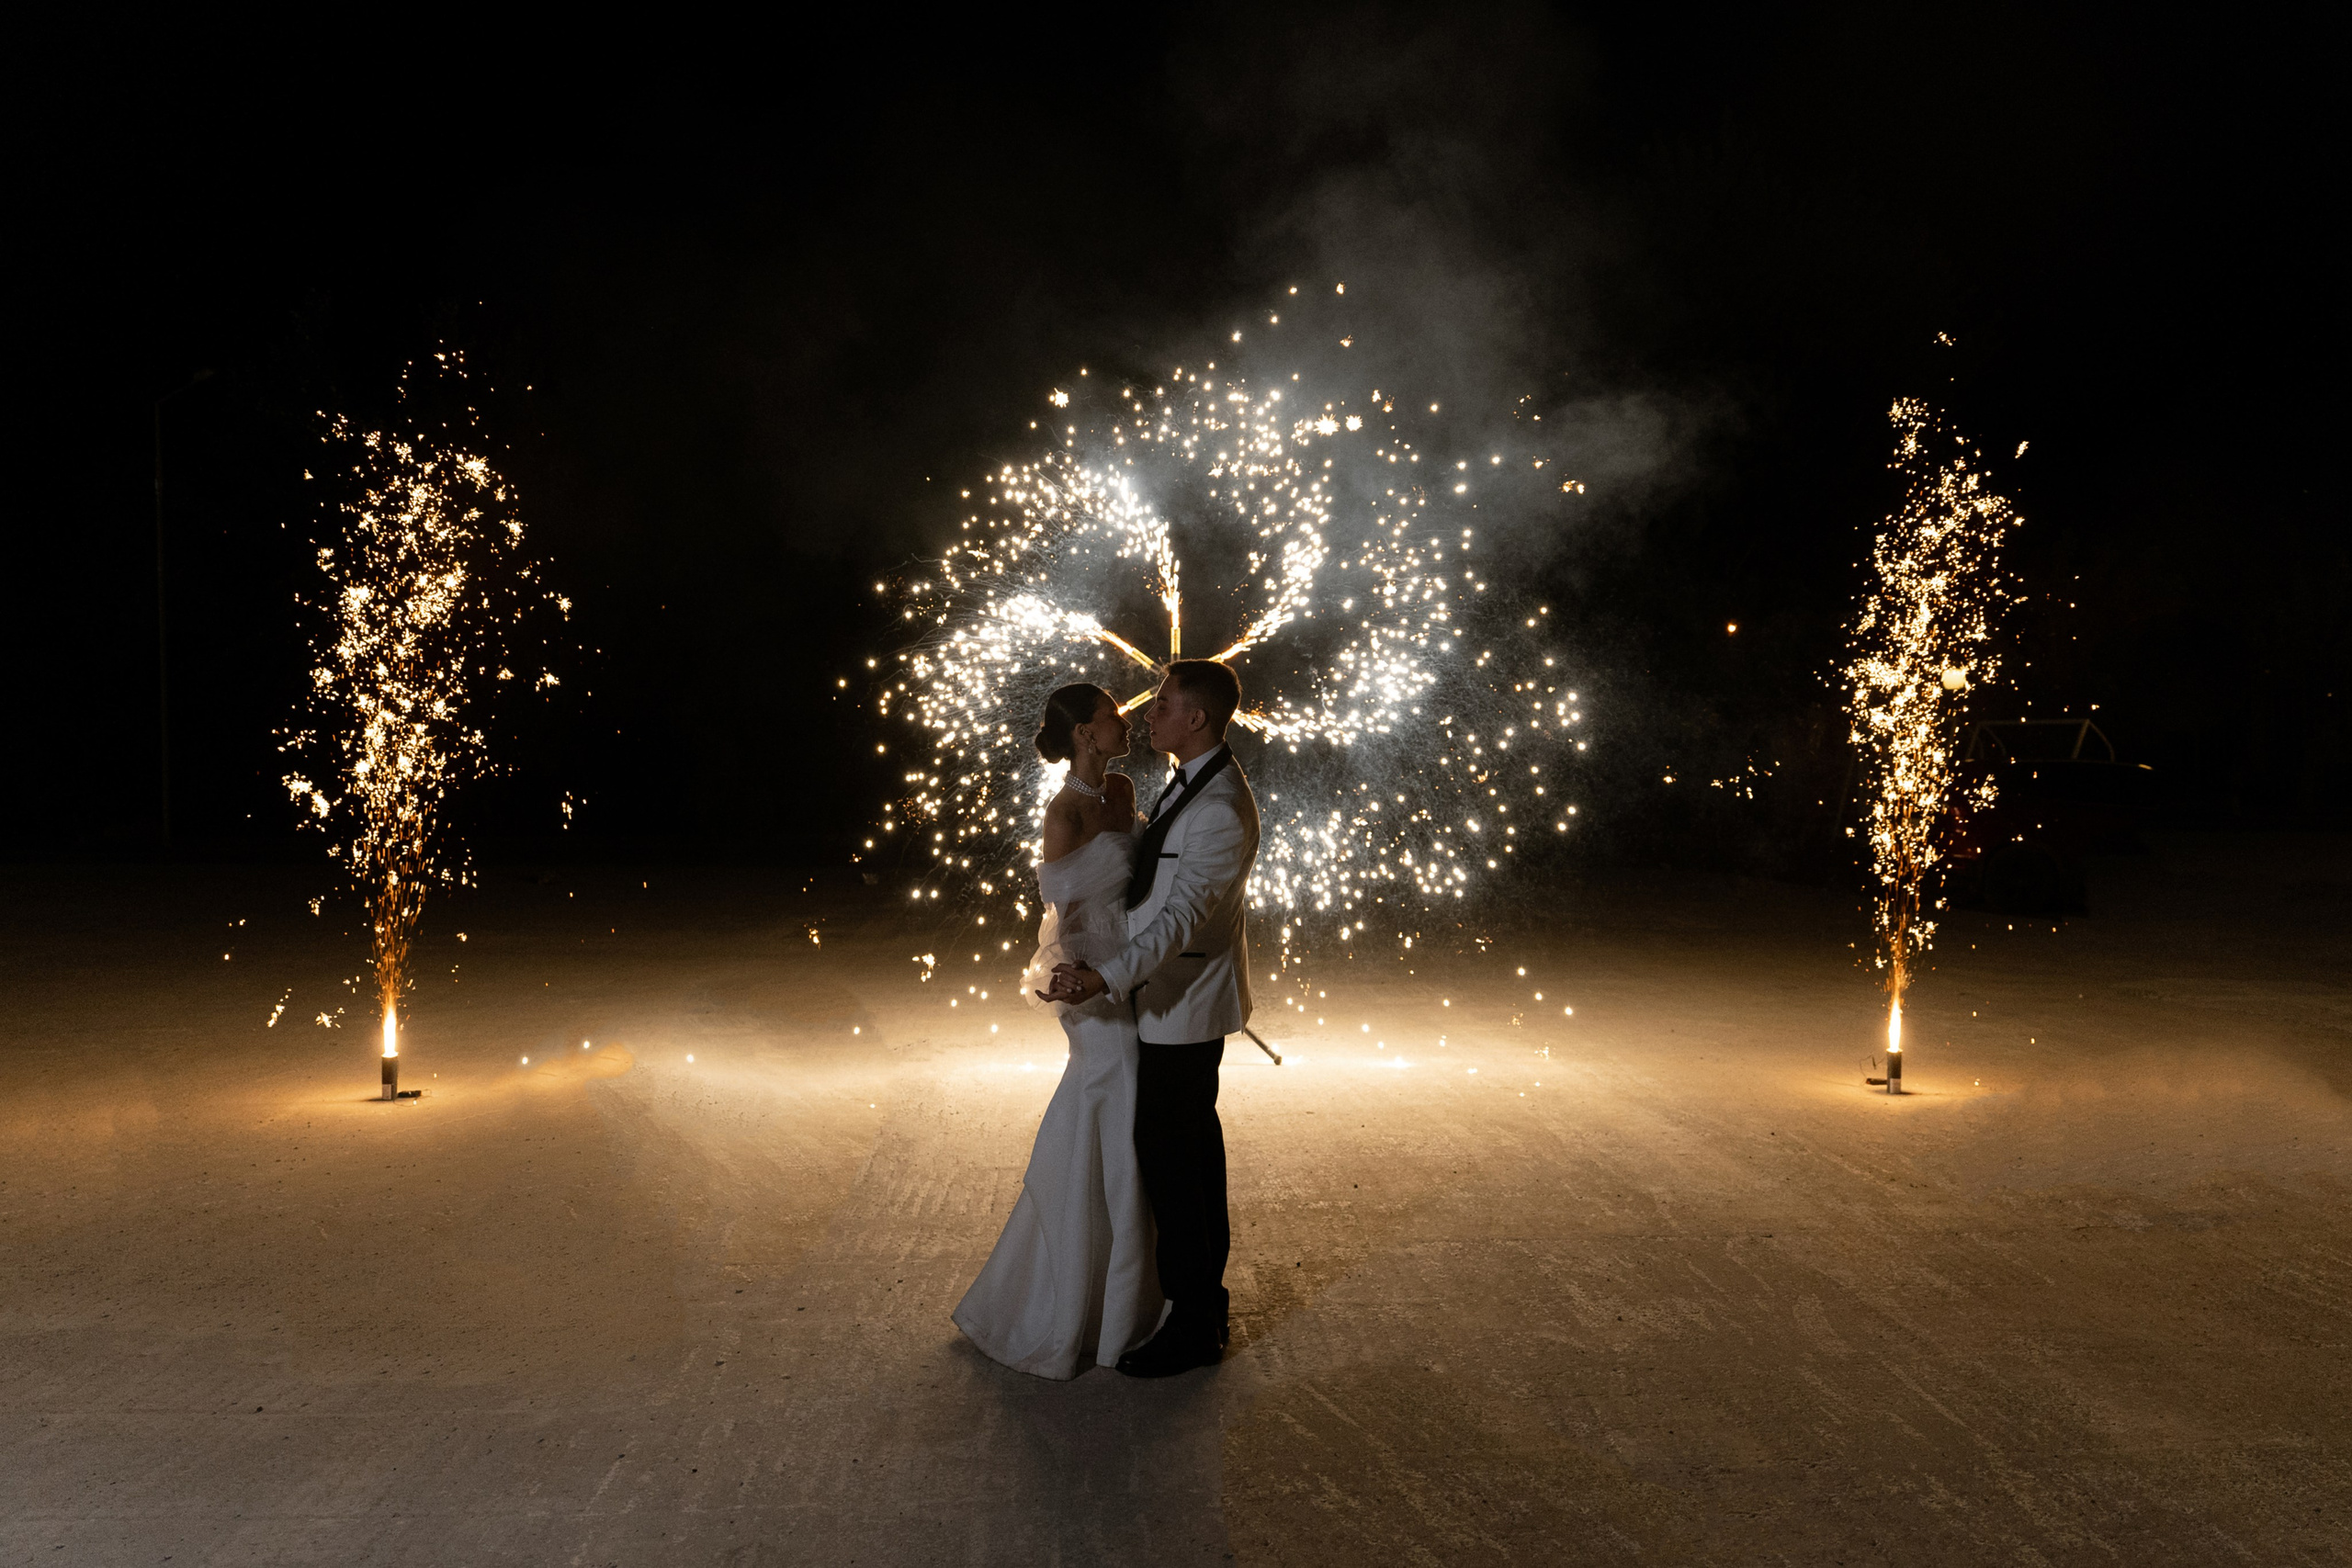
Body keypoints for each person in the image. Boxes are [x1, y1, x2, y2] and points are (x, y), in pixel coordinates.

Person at [1048, 659, 1261, 1378]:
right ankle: (1199, 1305)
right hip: (1164, 998)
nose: (1150, 712)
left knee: (1179, 1168)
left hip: (1184, 1007)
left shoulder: (1220, 809)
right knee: (1190, 1159)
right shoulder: (1187, 781)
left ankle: (1195, 1324)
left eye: (1164, 702)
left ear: (1195, 718)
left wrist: (1104, 975)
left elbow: (1178, 919)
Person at [952, 683, 1163, 1378]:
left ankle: (1113, 1291)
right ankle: (1078, 1305)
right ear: (1082, 732)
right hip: (1089, 978)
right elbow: (1064, 916)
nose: (1123, 718)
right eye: (1109, 714)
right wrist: (1075, 976)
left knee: (1114, 1116)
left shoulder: (1126, 789)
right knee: (1119, 1093)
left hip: (1129, 967)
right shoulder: (1063, 813)